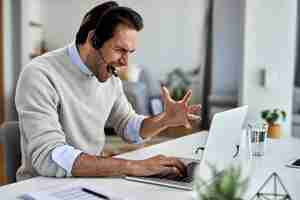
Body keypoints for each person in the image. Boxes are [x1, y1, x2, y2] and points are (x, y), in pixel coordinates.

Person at [15, 1, 201, 181]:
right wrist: (134, 166)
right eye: (120, 50)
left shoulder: (109, 77)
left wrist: (164, 119)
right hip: (42, 187)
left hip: (89, 182)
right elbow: (49, 157)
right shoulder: (40, 74)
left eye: (130, 52)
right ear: (93, 39)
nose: (125, 63)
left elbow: (128, 126)